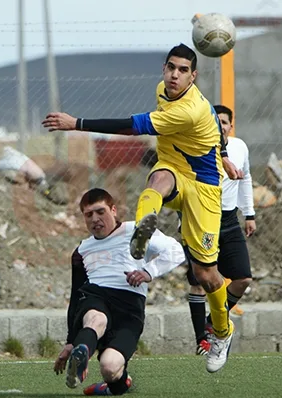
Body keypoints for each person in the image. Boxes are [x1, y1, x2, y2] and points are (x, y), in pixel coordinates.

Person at [43, 43, 236, 372]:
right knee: (156, 182)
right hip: (174, 165)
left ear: (194, 76)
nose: (174, 75)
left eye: (182, 70)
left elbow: (132, 127)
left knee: (206, 275)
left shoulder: (189, 109)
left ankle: (222, 331)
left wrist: (76, 123)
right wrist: (226, 152)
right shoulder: (163, 90)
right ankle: (145, 228)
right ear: (164, 69)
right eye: (170, 67)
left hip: (204, 185)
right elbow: (218, 131)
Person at [53, 188, 185, 396]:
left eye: (100, 212)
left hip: (129, 306)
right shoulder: (82, 250)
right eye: (89, 215)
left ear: (113, 210)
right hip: (96, 296)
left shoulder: (136, 230)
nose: (95, 219)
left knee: (110, 367)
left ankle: (118, 383)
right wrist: (70, 342)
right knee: (96, 319)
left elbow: (176, 251)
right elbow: (76, 295)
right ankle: (80, 357)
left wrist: (148, 271)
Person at [186, 105, 256, 356]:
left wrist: (249, 214)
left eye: (225, 122)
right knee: (200, 281)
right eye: (216, 121)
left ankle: (213, 322)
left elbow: (245, 178)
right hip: (201, 220)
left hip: (229, 220)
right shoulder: (197, 146)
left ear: (230, 126)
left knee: (243, 278)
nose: (221, 125)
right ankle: (201, 339)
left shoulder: (239, 147)